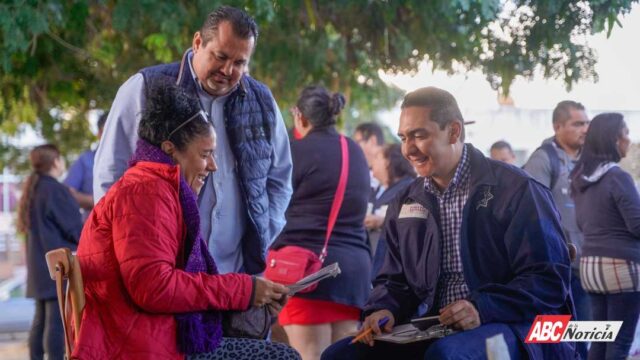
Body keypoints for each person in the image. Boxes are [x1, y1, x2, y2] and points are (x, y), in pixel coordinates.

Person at [322, 87, 576, 360]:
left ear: (454, 132)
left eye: (420, 136)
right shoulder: (406, 201)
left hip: (520, 324)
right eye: (404, 138)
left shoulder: (517, 189)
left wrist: (481, 307)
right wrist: (383, 309)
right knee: (340, 355)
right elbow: (392, 280)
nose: (409, 149)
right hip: (435, 326)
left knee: (446, 355)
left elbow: (548, 280)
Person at [75, 83, 299, 360]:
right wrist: (243, 289)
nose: (213, 166)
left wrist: (252, 298)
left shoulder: (153, 186)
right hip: (138, 347)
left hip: (148, 337)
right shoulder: (145, 192)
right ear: (170, 149)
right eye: (205, 154)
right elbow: (154, 288)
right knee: (282, 357)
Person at [93, 6, 292, 275]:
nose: (227, 70)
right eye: (220, 56)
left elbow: (280, 178)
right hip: (164, 271)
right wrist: (129, 251)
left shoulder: (262, 100)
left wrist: (263, 233)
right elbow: (110, 175)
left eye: (239, 63)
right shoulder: (147, 87)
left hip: (237, 275)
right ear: (198, 42)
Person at [270, 86, 371, 360]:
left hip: (306, 272)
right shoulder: (354, 151)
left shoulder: (295, 151)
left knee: (309, 355)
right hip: (352, 276)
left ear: (300, 117)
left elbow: (273, 208)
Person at [523, 100, 591, 357]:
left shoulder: (589, 159)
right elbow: (530, 209)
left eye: (586, 123)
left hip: (586, 269)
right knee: (554, 340)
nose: (585, 129)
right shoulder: (544, 159)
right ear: (557, 126)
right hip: (557, 270)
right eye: (577, 123)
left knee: (585, 335)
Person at [570, 113, 640, 360]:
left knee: (600, 342)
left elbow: (580, 223)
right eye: (626, 134)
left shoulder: (580, 179)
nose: (629, 140)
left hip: (590, 267)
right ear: (614, 139)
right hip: (621, 268)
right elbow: (637, 226)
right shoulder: (618, 177)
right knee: (619, 345)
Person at [16, 144, 83, 360]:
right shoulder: (54, 189)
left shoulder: (33, 188)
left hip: (38, 266)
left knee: (41, 320)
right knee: (56, 322)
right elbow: (74, 228)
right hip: (57, 264)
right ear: (55, 161)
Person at [367, 143, 416, 280]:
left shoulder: (409, 188)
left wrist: (383, 221)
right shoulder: (376, 189)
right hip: (373, 261)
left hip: (393, 268)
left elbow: (411, 225)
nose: (372, 161)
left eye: (377, 157)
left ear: (388, 162)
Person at [64, 111, 107, 220]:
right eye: (107, 131)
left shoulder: (134, 159)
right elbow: (67, 193)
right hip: (94, 229)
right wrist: (103, 203)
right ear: (99, 134)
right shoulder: (85, 160)